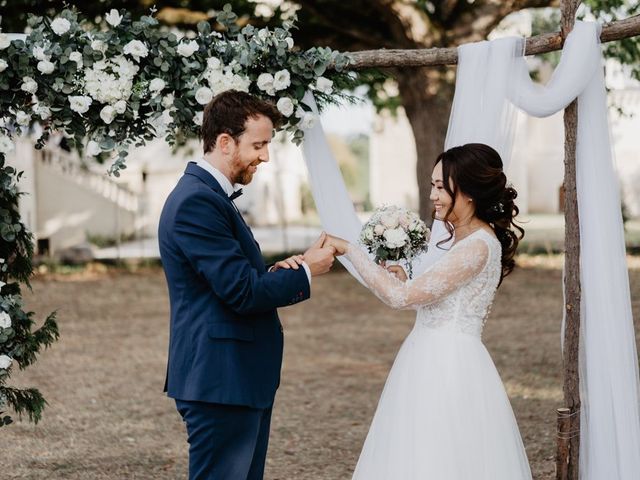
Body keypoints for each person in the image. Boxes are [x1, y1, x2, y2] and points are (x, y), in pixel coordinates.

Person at [324, 143, 532, 479]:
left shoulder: (478, 245)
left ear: (466, 192)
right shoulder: (463, 240)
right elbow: (432, 293)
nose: (433, 194)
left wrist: (349, 249)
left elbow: (401, 299)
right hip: (427, 354)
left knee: (441, 454)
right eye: (432, 185)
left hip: (448, 364)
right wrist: (406, 276)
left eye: (440, 186)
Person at [158, 90, 335, 480]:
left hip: (234, 379)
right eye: (259, 144)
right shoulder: (196, 202)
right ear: (225, 141)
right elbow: (241, 292)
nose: (266, 156)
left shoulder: (209, 197)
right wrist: (308, 272)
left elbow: (228, 280)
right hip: (220, 380)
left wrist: (289, 267)